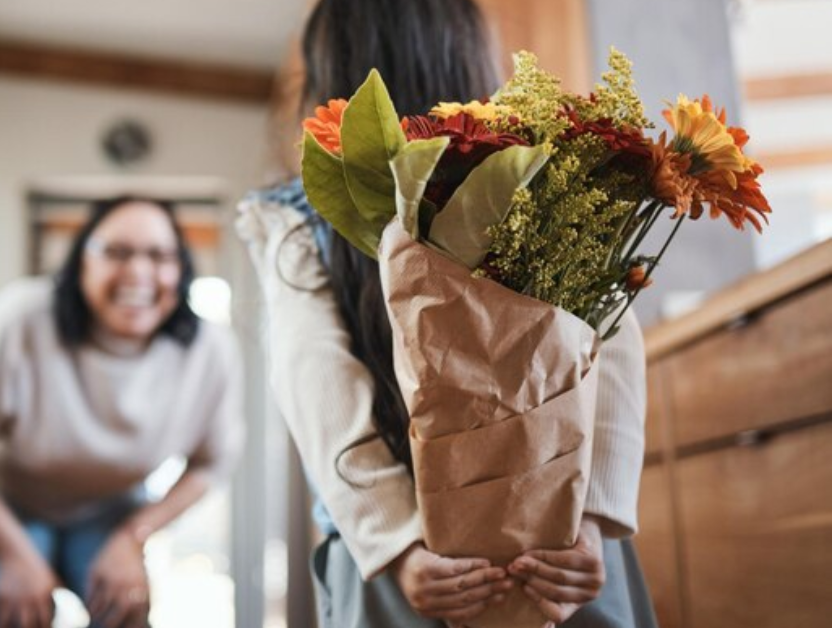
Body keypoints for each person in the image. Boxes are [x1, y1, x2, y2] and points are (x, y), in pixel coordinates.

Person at [237, 0, 658, 625]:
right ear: (468, 53)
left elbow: (314, 375)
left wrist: (395, 540)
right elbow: (610, 337)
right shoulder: (539, 169)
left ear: (332, 67)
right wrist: (594, 516)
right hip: (559, 543)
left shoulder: (296, 214)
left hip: (409, 560)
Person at [0, 196, 244, 628]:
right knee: (23, 617)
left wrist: (135, 537)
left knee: (126, 614)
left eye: (159, 255)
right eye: (117, 252)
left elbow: (213, 462)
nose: (138, 272)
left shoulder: (210, 349)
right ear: (80, 264)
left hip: (109, 512)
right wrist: (13, 554)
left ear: (181, 270)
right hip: (2, 503)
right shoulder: (22, 317)